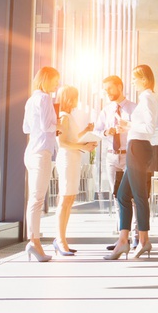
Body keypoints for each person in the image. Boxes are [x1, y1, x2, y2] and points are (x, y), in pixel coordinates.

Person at [105, 64, 158, 260]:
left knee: (139, 196)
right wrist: (130, 125)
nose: (133, 82)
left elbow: (150, 128)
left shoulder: (147, 98)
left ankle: (143, 241)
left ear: (144, 79)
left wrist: (129, 124)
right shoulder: (145, 98)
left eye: (135, 78)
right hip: (135, 147)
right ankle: (122, 242)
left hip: (138, 148)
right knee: (122, 195)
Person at [93, 75, 137, 250]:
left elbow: (142, 130)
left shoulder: (134, 108)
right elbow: (97, 131)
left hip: (129, 157)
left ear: (120, 86)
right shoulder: (106, 110)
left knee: (131, 198)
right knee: (117, 198)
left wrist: (128, 127)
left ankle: (135, 237)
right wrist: (106, 132)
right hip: (111, 157)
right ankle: (122, 238)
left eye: (110, 88)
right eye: (105, 89)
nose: (107, 92)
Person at [22, 66, 60, 262]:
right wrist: (59, 125)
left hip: (31, 152)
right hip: (41, 153)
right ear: (46, 79)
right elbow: (47, 126)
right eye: (55, 80)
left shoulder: (31, 100)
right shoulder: (45, 98)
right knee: (36, 201)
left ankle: (33, 241)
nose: (57, 84)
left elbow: (26, 127)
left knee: (34, 200)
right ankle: (34, 242)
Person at [53, 86, 96, 256]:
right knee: (64, 200)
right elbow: (62, 143)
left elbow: (73, 138)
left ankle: (62, 239)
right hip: (67, 161)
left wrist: (86, 132)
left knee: (69, 200)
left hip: (73, 160)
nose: (78, 100)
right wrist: (84, 146)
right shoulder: (63, 117)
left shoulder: (68, 117)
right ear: (70, 98)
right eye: (76, 97)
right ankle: (60, 240)